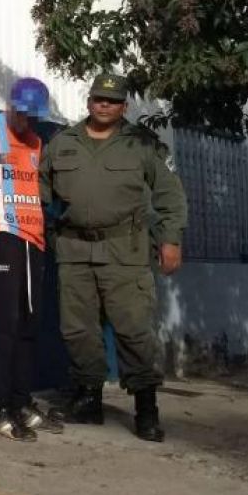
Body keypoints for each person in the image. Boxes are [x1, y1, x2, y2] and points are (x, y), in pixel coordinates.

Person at [39, 73, 187, 442]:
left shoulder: (142, 144)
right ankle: (88, 400)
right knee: (78, 331)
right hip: (74, 250)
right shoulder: (62, 143)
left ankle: (146, 409)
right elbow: (39, 191)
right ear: (89, 101)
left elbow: (170, 194)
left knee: (134, 330)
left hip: (126, 251)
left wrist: (170, 240)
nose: (103, 105)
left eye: (112, 100)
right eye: (98, 99)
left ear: (124, 106)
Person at [0, 78, 64, 441]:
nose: (27, 122)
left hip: (33, 238)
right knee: (3, 323)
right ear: (11, 106)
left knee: (28, 323)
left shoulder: (38, 142)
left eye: (33, 116)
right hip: (0, 235)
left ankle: (19, 400)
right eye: (22, 114)